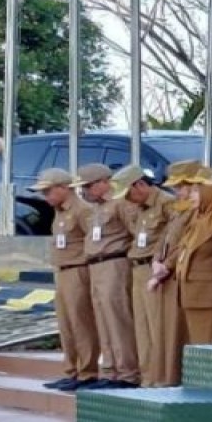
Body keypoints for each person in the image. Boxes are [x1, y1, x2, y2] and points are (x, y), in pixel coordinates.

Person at [33, 168, 99, 392]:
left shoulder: (83, 210)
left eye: (48, 191)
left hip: (78, 270)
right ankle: (72, 370)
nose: (45, 197)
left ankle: (88, 371)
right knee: (66, 324)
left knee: (82, 323)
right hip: (62, 271)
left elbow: (94, 242)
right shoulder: (59, 211)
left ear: (64, 188)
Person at [77, 163, 140, 389]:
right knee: (103, 321)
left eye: (87, 186)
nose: (84, 191)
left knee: (117, 319)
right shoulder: (96, 208)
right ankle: (109, 370)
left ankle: (127, 372)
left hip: (114, 263)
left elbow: (137, 233)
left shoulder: (120, 204)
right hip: (96, 265)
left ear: (104, 183)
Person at [117, 165, 176, 388]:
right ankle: (147, 378)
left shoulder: (166, 203)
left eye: (129, 193)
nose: (128, 200)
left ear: (140, 185)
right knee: (142, 329)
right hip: (137, 268)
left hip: (155, 270)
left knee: (156, 327)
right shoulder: (140, 208)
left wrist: (162, 265)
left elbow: (174, 237)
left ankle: (160, 378)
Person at [150, 161, 206, 382]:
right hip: (165, 275)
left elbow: (184, 243)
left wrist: (167, 265)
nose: (178, 191)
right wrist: (156, 260)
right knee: (164, 332)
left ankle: (173, 378)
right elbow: (164, 238)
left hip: (176, 275)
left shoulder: (194, 211)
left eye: (182, 186)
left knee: (177, 332)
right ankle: (163, 377)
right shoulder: (178, 209)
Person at [174, 164, 212, 344]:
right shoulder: (198, 218)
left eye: (196, 191)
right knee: (196, 343)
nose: (191, 196)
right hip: (190, 293)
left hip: (208, 294)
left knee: (207, 342)